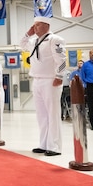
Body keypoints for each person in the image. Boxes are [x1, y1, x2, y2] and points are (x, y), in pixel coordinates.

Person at [20, 17, 66, 156]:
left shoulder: (55, 39)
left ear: (46, 25)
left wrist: (59, 76)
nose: (35, 28)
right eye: (34, 25)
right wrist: (28, 33)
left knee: (53, 113)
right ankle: (44, 144)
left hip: (51, 80)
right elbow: (22, 44)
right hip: (37, 80)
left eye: (37, 25)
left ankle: (55, 146)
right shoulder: (34, 41)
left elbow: (62, 60)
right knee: (42, 115)